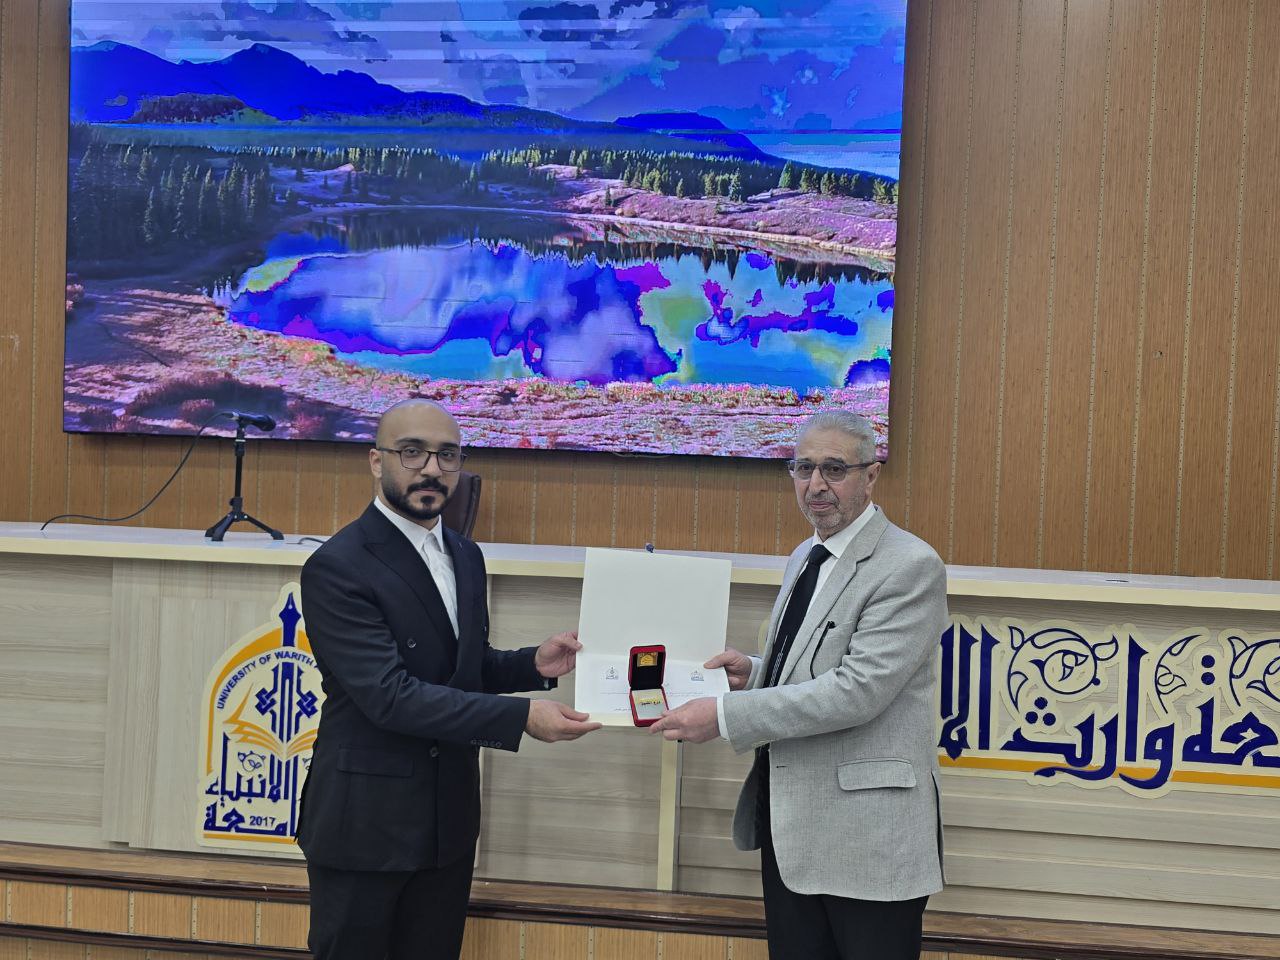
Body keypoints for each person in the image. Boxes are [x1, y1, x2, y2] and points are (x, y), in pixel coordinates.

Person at [297, 398, 601, 960]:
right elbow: (389, 696)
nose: (432, 469)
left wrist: (532, 664)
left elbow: (461, 669)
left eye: (447, 455)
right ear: (376, 461)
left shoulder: (464, 553)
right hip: (366, 826)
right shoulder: (338, 566)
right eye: (412, 453)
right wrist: (521, 718)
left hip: (447, 824)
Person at [651, 410, 947, 960]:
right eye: (803, 468)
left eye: (834, 469)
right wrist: (755, 673)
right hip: (793, 831)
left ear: (870, 475)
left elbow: (858, 690)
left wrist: (725, 716)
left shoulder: (909, 565)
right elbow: (815, 664)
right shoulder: (805, 556)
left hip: (868, 839)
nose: (815, 486)